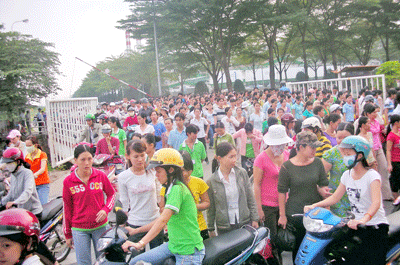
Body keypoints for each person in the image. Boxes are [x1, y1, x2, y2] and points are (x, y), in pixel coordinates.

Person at [304, 136, 389, 265]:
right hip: (355, 225)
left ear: (360, 155)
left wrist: (363, 219)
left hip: (375, 226)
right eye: (344, 154)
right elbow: (335, 197)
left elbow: (376, 203)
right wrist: (314, 205)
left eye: (348, 154)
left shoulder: (372, 176)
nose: (345, 157)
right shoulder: (347, 175)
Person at [122, 148, 205, 265]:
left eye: (158, 171)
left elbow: (163, 220)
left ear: (170, 169)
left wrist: (140, 244)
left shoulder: (178, 189)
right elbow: (161, 219)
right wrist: (136, 231)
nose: (156, 175)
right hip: (174, 245)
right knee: (135, 262)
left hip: (188, 251)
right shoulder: (170, 188)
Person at [278, 131, 330, 261]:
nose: (315, 150)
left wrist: (326, 202)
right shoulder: (287, 167)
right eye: (312, 147)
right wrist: (282, 215)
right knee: (300, 252)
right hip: (296, 215)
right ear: (300, 147)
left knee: (318, 249)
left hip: (316, 213)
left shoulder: (317, 162)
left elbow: (323, 185)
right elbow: (281, 192)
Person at [63, 144, 116, 265]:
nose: (87, 163)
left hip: (101, 227)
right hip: (79, 229)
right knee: (83, 262)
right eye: (82, 159)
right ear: (75, 160)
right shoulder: (68, 181)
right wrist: (67, 234)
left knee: (104, 261)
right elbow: (67, 208)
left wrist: (106, 209)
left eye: (90, 159)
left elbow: (111, 194)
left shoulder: (100, 175)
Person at [253, 125, 292, 252]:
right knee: (272, 239)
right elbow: (257, 185)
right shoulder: (261, 159)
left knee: (283, 238)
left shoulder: (286, 155)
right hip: (267, 205)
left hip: (284, 203)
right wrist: (259, 209)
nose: (280, 147)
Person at [118, 140, 163, 249]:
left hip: (154, 222)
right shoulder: (123, 177)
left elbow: (160, 193)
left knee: (157, 258)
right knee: (137, 258)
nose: (140, 160)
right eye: (136, 156)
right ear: (127, 156)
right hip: (135, 224)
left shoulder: (152, 171)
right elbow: (124, 202)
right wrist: (122, 224)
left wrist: (162, 211)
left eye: (142, 155)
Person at [207, 142, 259, 236]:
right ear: (220, 158)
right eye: (231, 157)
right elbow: (211, 208)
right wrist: (210, 228)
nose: (234, 160)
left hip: (244, 222)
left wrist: (255, 218)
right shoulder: (212, 181)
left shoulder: (242, 173)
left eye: (235, 156)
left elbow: (250, 197)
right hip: (224, 227)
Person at [322, 122, 354, 217]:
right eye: (339, 138)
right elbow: (321, 177)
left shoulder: (360, 152)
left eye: (346, 138)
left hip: (356, 196)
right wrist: (322, 190)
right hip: (338, 199)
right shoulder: (331, 154)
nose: (342, 141)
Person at [0, 148, 42, 217]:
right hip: (22, 213)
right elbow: (11, 195)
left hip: (33, 213)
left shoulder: (27, 173)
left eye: (9, 163)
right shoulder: (13, 175)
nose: (7, 165)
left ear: (18, 162)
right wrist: (2, 203)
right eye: (6, 163)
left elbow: (27, 192)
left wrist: (14, 202)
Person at [364, 103, 393, 201]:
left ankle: (387, 195)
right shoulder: (363, 122)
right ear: (367, 113)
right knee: (373, 171)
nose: (375, 114)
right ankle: (374, 196)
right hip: (369, 150)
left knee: (384, 169)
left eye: (376, 112)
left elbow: (382, 125)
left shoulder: (376, 121)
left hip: (379, 147)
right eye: (373, 112)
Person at [25, 136, 50, 206]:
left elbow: (42, 168)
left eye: (29, 145)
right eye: (26, 146)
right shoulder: (27, 157)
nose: (27, 147)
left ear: (35, 145)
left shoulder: (42, 154)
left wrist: (34, 175)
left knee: (43, 205)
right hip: (32, 185)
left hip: (43, 184)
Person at [386, 114, 400, 199]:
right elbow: (388, 150)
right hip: (395, 161)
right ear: (396, 123)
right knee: (395, 183)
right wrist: (389, 164)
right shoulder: (391, 136)